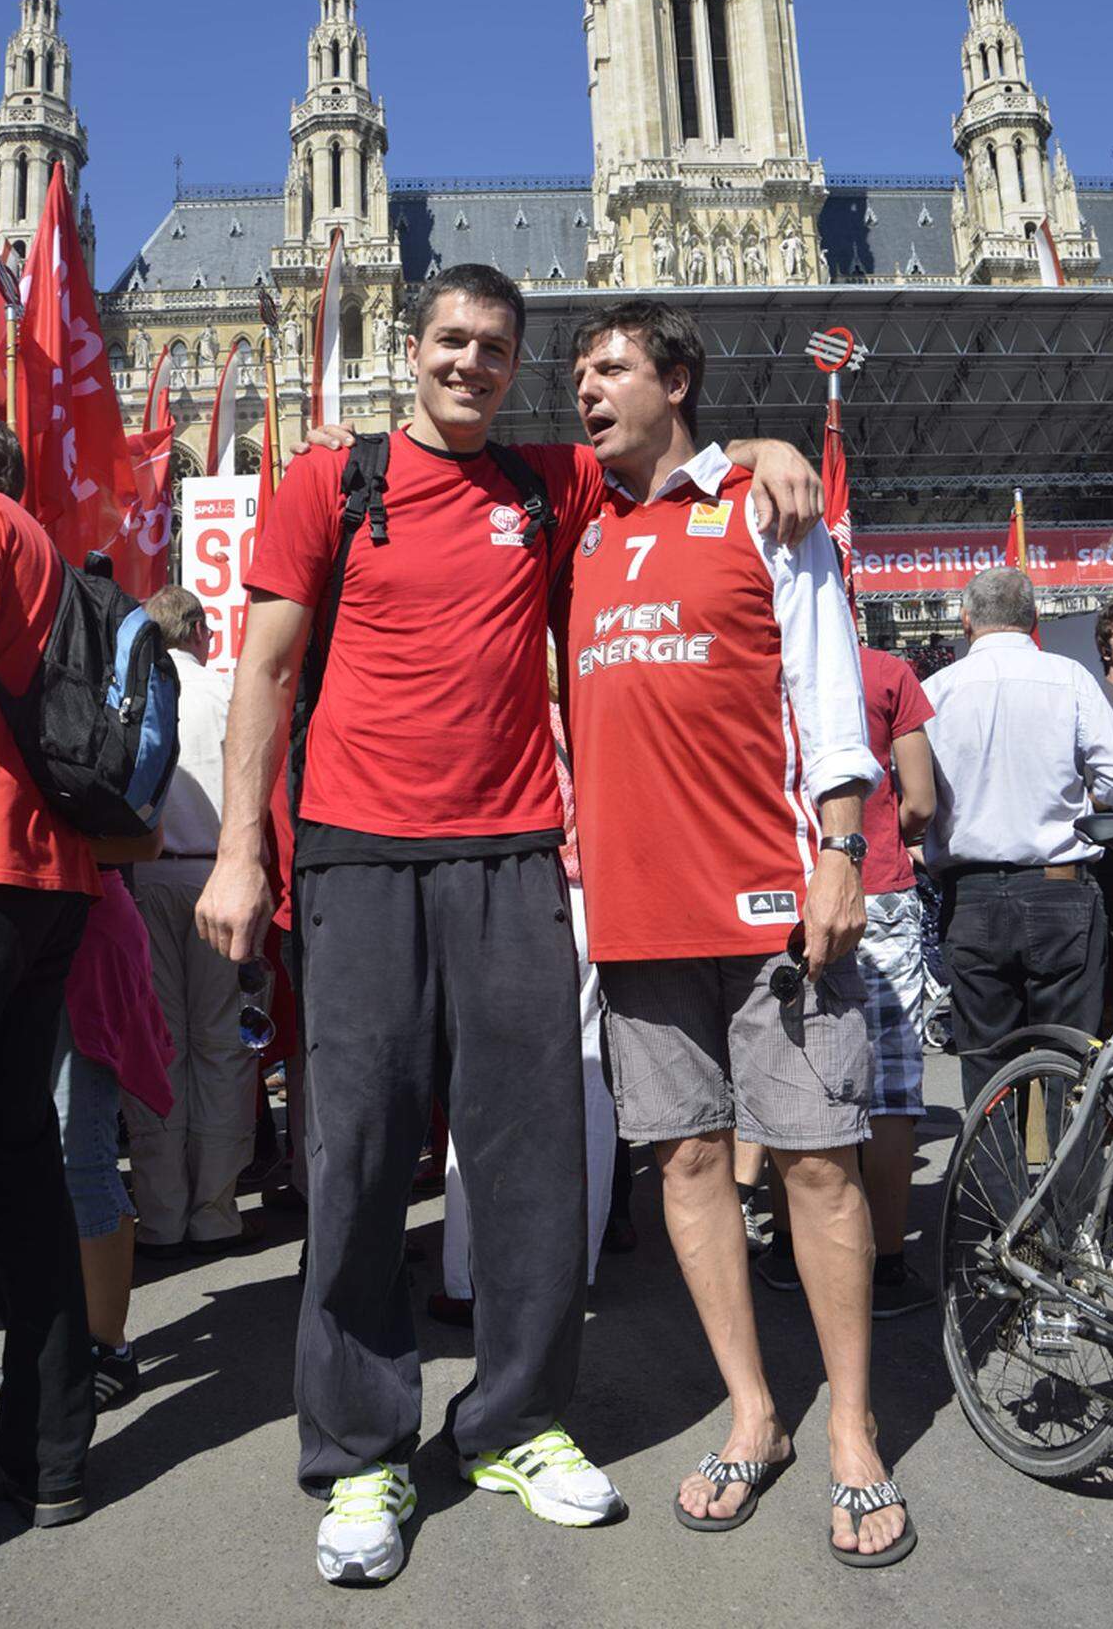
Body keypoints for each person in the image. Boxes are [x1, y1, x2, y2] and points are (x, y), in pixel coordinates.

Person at [197, 263, 823, 1587]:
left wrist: (764, 442)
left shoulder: (550, 482)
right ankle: (362, 1450)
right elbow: (265, 666)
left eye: (496, 348)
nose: (473, 364)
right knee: (360, 1157)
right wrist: (242, 852)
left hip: (512, 856)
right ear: (410, 347)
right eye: (453, 343)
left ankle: (518, 1423)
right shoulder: (331, 482)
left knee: (533, 1158)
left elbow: (675, 451)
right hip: (359, 861)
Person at [563, 299, 917, 1567]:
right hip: (638, 915)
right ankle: (757, 1414)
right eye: (579, 374)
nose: (586, 390)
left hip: (774, 903)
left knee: (818, 1159)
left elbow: (829, 694)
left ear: (677, 380)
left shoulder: (764, 510)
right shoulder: (578, 527)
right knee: (689, 1168)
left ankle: (854, 1435)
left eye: (610, 369)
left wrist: (837, 853)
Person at [0, 411, 99, 1527]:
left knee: (11, 1159)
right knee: (15, 1165)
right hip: (49, 881)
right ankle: (43, 1456)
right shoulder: (44, 544)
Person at [433, 643, 616, 1324]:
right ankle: (581, 1264)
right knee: (588, 1073)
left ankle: (468, 1271)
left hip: (517, 895)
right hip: (592, 901)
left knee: (484, 1074)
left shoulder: (505, 724)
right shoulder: (590, 723)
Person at [922, 568, 1113, 1108]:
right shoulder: (1067, 678)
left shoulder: (935, 691)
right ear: (1034, 619)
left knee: (986, 1066)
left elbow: (913, 794)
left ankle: (997, 1194)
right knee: (1068, 1068)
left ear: (966, 621)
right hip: (1060, 889)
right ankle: (1072, 1192)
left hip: (971, 896)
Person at [759, 644, 937, 1317]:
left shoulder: (761, 659)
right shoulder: (886, 672)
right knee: (891, 1084)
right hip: (879, 882)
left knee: (791, 1066)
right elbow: (919, 800)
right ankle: (886, 1265)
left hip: (788, 885)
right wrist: (887, 827)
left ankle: (785, 1248)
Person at [0, 860, 174, 1411]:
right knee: (40, 1161)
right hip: (27, 938)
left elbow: (133, 832)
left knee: (80, 1155)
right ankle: (62, 1346)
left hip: (80, 938)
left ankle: (107, 1349)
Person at [123, 586, 254, 1256]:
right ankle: (216, 1211)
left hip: (148, 875)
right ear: (200, 630)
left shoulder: (134, 690)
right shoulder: (227, 692)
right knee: (220, 1045)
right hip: (220, 875)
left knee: (159, 1043)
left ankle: (163, 1213)